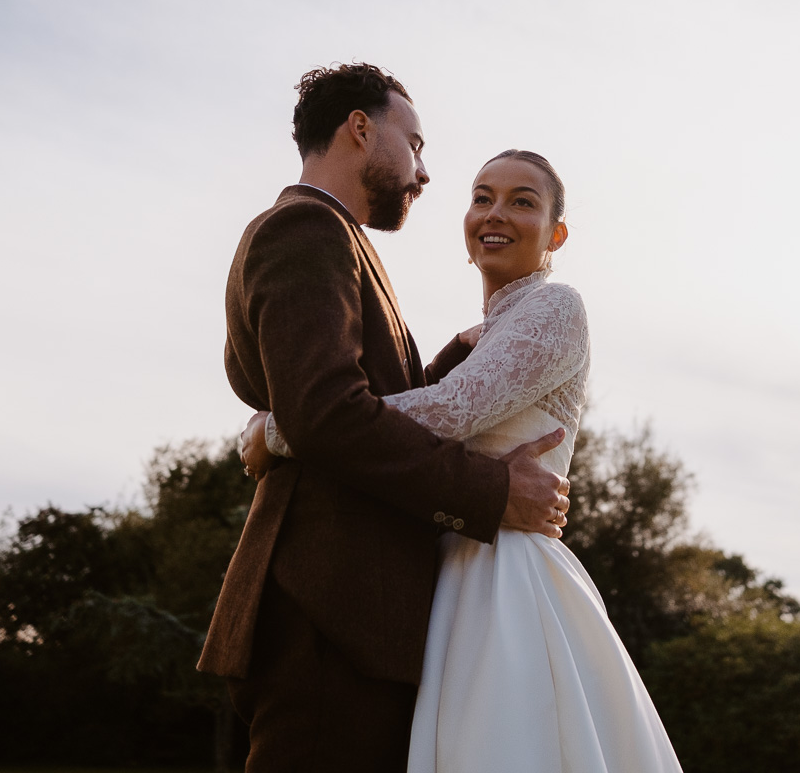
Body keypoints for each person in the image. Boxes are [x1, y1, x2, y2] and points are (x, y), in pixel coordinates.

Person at [242, 149, 685, 772]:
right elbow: (412, 421)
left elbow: (452, 411)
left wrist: (282, 429)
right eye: (482, 197)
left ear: (556, 233)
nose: (494, 213)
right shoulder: (486, 334)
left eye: (522, 201)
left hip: (507, 579)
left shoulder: (556, 308)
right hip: (446, 571)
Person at [197, 64, 572, 773]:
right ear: (361, 128)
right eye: (417, 143)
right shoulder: (308, 229)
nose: (423, 172)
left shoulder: (336, 240)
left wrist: (444, 367)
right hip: (330, 609)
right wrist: (493, 494)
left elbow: (347, 406)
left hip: (351, 613)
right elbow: (329, 417)